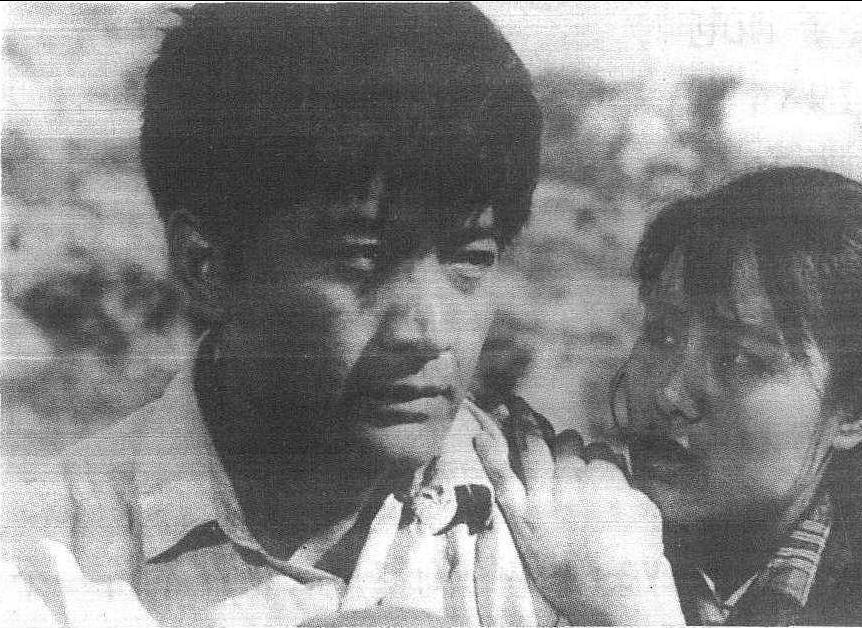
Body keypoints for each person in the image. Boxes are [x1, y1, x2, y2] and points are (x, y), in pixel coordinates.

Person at [3, 3, 549, 626]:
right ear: (205, 266)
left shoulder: (559, 536)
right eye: (361, 258)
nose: (428, 331)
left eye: (470, 259)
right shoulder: (41, 561)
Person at [474, 167, 862, 625]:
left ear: (858, 410)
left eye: (740, 359)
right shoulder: (556, 524)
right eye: (663, 335)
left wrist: (624, 613)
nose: (670, 393)